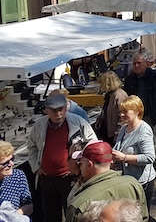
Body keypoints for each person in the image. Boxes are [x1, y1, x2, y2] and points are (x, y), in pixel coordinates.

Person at [28, 91, 97, 222]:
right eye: (54, 111)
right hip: (47, 179)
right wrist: (36, 167)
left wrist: (82, 166)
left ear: (66, 108)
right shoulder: (39, 126)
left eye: (61, 110)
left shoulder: (78, 122)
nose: (58, 114)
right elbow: (31, 147)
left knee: (72, 214)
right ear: (46, 110)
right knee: (50, 216)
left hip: (70, 179)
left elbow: (93, 144)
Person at [66, 141, 148, 222]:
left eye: (80, 163)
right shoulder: (133, 184)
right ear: (111, 161)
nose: (80, 167)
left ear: (89, 164)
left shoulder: (78, 203)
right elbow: (143, 217)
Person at [111, 95, 156, 216]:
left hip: (141, 183)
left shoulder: (143, 130)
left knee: (140, 215)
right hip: (127, 181)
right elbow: (118, 148)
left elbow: (150, 157)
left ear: (137, 111)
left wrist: (124, 158)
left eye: (125, 112)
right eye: (121, 112)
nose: (121, 115)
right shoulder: (124, 128)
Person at [123, 53, 156, 173]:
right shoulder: (130, 79)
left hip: (153, 114)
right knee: (139, 137)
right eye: (134, 63)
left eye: (139, 63)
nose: (136, 66)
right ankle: (143, 161)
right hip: (137, 115)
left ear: (145, 64)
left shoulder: (155, 76)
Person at [95, 71, 129, 144]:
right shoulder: (110, 95)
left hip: (115, 135)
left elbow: (124, 118)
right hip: (107, 132)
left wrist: (118, 134)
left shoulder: (119, 95)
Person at [0, 141, 32, 217]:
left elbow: (29, 206)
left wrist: (11, 217)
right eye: (5, 163)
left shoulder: (18, 176)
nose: (12, 164)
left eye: (12, 159)